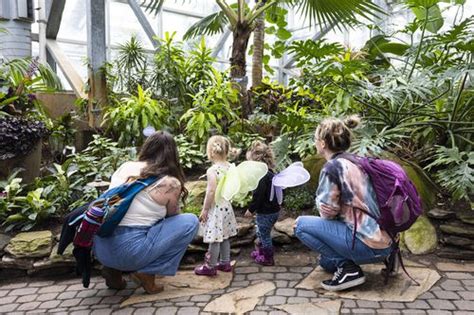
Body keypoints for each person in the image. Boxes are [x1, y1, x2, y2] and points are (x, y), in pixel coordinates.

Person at [294, 116, 393, 292]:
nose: (315, 143)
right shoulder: (359, 161)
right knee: (326, 262)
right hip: (385, 240)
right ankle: (388, 257)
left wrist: (318, 199)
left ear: (323, 143)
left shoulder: (333, 168)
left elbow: (327, 212)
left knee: (300, 225)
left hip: (367, 243)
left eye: (316, 140)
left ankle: (349, 270)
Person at [93, 131, 199, 294]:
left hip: (101, 247)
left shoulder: (126, 166)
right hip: (130, 251)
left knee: (126, 219)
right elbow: (172, 217)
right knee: (190, 222)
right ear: (172, 154)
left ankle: (113, 271)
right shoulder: (170, 183)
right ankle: (147, 272)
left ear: (147, 148)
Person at [195, 135, 238, 276]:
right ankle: (225, 262)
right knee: (224, 236)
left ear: (211, 152)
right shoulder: (231, 167)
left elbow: (211, 191)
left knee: (214, 237)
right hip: (227, 206)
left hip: (216, 208)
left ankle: (210, 266)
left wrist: (205, 209)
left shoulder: (212, 171)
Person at [245, 140, 280, 266]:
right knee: (261, 232)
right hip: (273, 210)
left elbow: (258, 196)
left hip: (266, 212)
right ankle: (261, 252)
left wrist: (251, 209)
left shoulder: (261, 177)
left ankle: (268, 258)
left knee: (264, 235)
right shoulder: (270, 173)